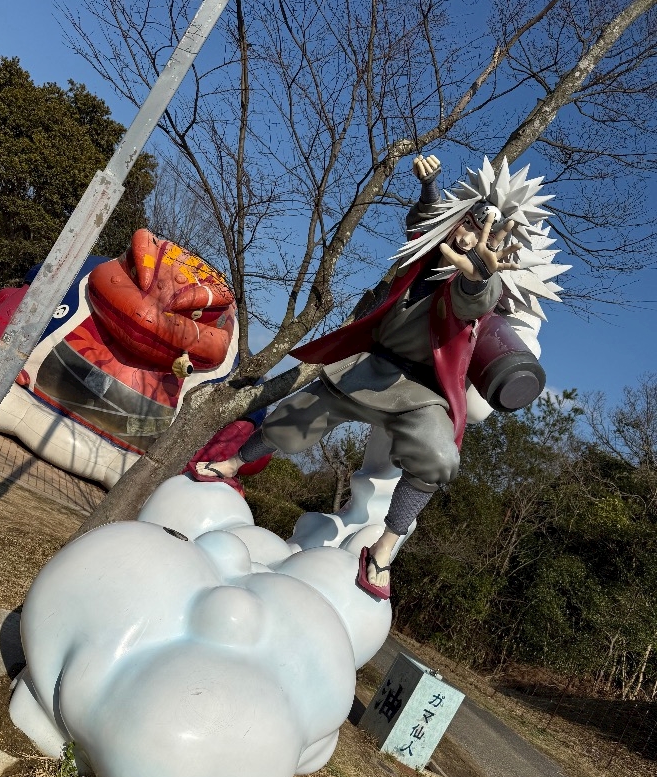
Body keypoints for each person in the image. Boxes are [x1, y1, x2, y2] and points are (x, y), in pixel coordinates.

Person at [190, 154, 567, 599]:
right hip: (371, 367)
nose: (469, 237)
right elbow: (424, 222)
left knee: (439, 458)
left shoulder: (482, 282)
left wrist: (479, 276)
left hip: (421, 391)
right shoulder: (427, 250)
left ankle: (384, 547)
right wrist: (430, 187)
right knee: (298, 413)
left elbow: (475, 301)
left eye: (484, 231)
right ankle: (234, 463)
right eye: (468, 223)